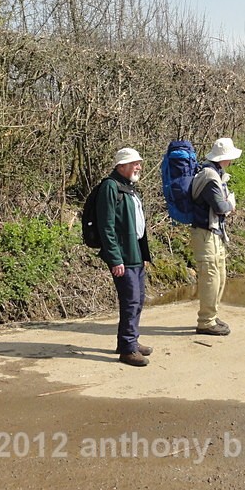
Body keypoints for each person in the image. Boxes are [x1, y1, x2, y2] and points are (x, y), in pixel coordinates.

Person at [96, 148, 152, 367]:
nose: (139, 167)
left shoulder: (128, 187)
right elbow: (106, 226)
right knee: (130, 301)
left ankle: (129, 341)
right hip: (124, 255)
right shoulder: (110, 187)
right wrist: (115, 258)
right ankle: (128, 350)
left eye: (139, 163)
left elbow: (136, 224)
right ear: (121, 166)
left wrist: (143, 253)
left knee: (138, 300)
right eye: (135, 163)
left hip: (135, 253)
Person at [190, 137, 242, 336]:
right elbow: (220, 207)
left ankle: (211, 316)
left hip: (213, 233)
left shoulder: (214, 173)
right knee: (211, 277)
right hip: (206, 234)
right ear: (224, 157)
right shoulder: (210, 177)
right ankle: (206, 322)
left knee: (220, 275)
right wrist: (231, 205)